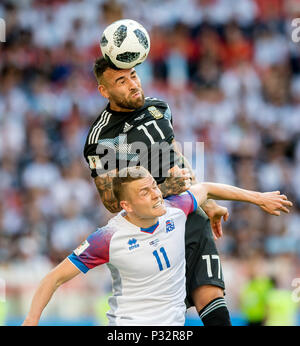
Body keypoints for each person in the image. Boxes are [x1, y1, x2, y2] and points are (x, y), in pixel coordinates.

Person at [83, 57, 291, 326]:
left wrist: (206, 203)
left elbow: (175, 159)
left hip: (188, 213)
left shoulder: (158, 109)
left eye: (133, 75)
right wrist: (162, 190)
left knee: (212, 296)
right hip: (150, 229)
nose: (132, 84)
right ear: (104, 90)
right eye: (120, 81)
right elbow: (112, 201)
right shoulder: (102, 137)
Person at [22, 166, 292, 326]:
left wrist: (258, 198)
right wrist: (31, 321)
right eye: (144, 192)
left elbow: (207, 188)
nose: (155, 194)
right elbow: (53, 278)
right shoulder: (108, 237)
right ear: (126, 206)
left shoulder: (174, 209)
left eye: (153, 186)